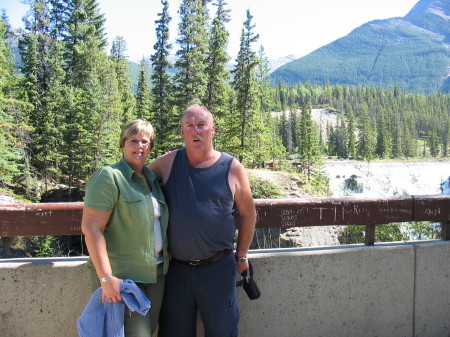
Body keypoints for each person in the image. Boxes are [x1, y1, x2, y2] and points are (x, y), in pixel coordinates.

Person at [149, 105, 257, 337]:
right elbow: (135, 179)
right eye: (189, 126)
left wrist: (242, 255)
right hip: (177, 271)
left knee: (222, 332)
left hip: (218, 268)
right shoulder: (167, 163)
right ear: (183, 132)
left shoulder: (232, 167)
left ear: (212, 130)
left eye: (201, 125)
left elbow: (249, 214)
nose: (195, 131)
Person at [81, 119, 169, 336]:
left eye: (145, 142)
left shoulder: (152, 180)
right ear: (123, 144)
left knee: (149, 331)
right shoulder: (109, 177)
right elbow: (91, 228)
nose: (139, 146)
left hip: (157, 274)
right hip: (124, 279)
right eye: (133, 140)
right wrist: (106, 278)